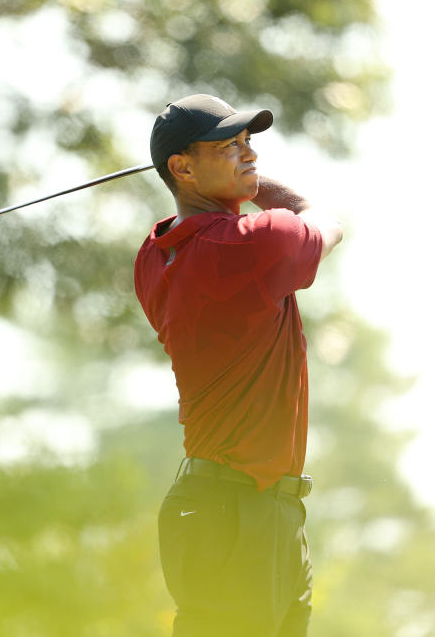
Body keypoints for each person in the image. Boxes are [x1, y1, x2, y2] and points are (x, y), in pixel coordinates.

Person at [134, 94, 343, 636]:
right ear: (181, 166)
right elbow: (325, 222)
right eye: (230, 145)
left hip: (241, 509)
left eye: (249, 142)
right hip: (238, 512)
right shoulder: (249, 245)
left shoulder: (154, 254)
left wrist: (228, 172)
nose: (249, 153)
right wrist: (259, 183)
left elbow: (187, 218)